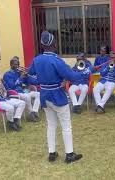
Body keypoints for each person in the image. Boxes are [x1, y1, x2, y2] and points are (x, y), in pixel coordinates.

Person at [28, 31, 82, 163]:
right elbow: (72, 76)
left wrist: (42, 81)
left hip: (44, 96)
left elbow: (30, 76)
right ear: (53, 44)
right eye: (56, 41)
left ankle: (52, 153)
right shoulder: (56, 60)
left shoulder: (37, 59)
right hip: (57, 96)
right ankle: (69, 155)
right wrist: (83, 72)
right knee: (66, 125)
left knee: (51, 125)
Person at [3, 56, 40, 122]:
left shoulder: (18, 72)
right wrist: (20, 77)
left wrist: (26, 77)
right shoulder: (7, 74)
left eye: (18, 64)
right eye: (15, 64)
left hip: (23, 91)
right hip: (14, 92)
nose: (17, 66)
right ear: (11, 65)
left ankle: (34, 111)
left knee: (38, 94)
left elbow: (27, 83)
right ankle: (30, 115)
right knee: (27, 96)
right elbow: (12, 86)